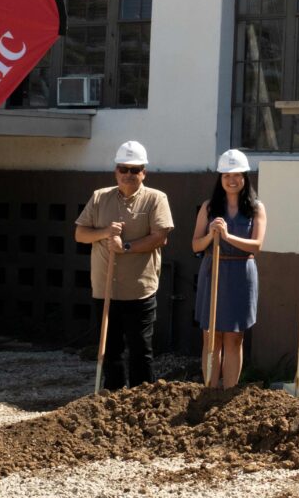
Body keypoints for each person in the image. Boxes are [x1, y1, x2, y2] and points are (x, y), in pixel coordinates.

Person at [73, 140, 174, 390]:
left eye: (134, 169)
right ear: (116, 171)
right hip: (105, 288)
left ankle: (142, 401)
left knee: (141, 349)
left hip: (139, 288)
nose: (128, 174)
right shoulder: (99, 197)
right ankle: (112, 399)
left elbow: (160, 237)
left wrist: (125, 247)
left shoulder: (155, 199)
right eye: (123, 169)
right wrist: (105, 232)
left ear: (143, 172)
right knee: (110, 349)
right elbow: (80, 234)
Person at [191, 149, 266, 388]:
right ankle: (210, 391)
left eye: (237, 175)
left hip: (241, 273)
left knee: (235, 337)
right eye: (226, 175)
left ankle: (229, 392)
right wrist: (211, 234)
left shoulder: (256, 208)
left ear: (245, 177)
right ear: (220, 179)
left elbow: (256, 246)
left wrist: (227, 235)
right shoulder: (209, 207)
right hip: (213, 271)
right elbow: (196, 244)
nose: (232, 180)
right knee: (211, 337)